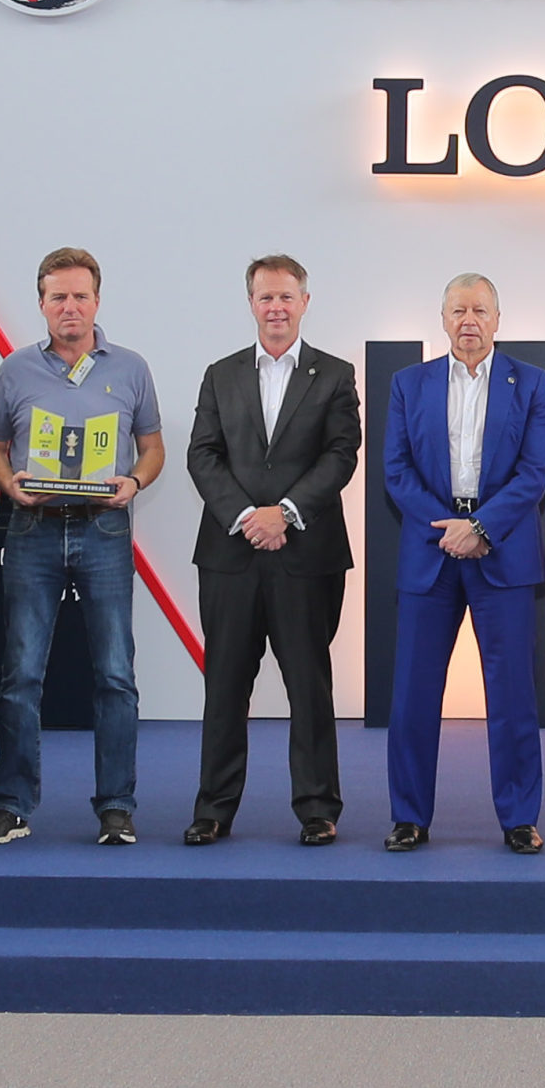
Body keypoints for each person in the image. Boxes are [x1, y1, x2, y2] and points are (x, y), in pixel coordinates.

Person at [0, 247, 167, 847]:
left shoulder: (130, 367)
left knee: (115, 674)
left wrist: (133, 482)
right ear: (41, 304)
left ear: (97, 302)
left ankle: (116, 805)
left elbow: (153, 447)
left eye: (80, 295)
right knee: (21, 675)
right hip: (34, 528)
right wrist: (10, 486)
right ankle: (12, 805)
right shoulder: (15, 369)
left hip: (104, 528)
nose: (69, 307)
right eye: (57, 296)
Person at [182, 254, 362, 847]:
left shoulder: (335, 375)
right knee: (225, 685)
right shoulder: (220, 373)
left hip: (305, 557)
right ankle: (212, 809)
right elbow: (202, 454)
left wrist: (283, 513)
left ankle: (317, 808)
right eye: (266, 298)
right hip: (230, 555)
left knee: (309, 685)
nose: (276, 308)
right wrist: (245, 517)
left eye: (287, 297)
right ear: (251, 303)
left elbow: (340, 456)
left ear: (305, 302)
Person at [378, 273, 545, 852]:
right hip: (431, 550)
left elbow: (535, 472)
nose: (469, 321)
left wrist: (480, 527)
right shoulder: (410, 383)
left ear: (498, 319)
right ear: (443, 318)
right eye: (458, 310)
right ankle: (408, 816)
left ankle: (519, 818)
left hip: (501, 550)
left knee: (511, 695)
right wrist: (450, 528)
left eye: (480, 310)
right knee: (412, 694)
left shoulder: (530, 383)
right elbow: (396, 470)